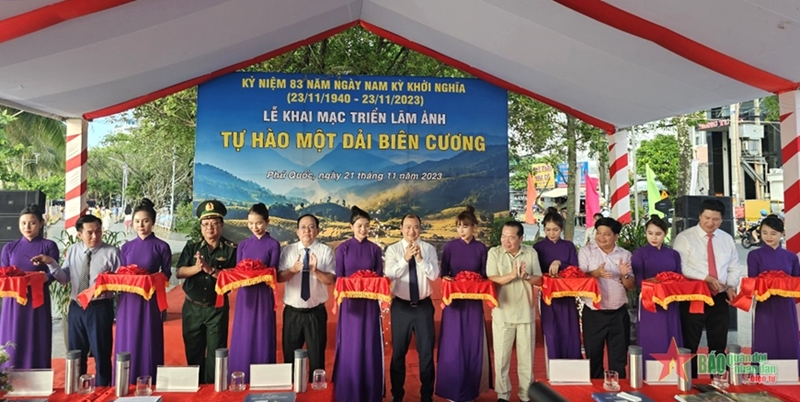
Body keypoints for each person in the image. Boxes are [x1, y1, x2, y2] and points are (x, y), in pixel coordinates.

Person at [34, 214, 120, 386]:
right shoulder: (73, 250)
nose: (95, 236)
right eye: (89, 233)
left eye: (98, 231)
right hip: (76, 307)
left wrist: (109, 283)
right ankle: (75, 386)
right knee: (75, 352)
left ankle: (103, 388)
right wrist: (51, 263)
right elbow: (65, 278)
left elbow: (122, 282)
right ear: (79, 234)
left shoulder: (112, 252)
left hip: (99, 307)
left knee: (101, 352)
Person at [672, 199, 740, 378]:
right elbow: (682, 267)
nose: (711, 223)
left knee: (718, 341)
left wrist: (731, 286)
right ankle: (688, 379)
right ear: (699, 216)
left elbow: (734, 267)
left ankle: (717, 378)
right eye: (707, 218)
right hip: (694, 295)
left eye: (715, 219)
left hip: (719, 296)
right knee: (690, 340)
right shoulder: (685, 238)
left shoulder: (726, 239)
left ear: (722, 219)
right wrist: (705, 278)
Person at [175, 200, 237, 384]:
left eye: (214, 223)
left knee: (216, 352)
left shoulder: (231, 249)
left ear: (222, 225)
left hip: (216, 308)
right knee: (193, 350)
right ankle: (196, 388)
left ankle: (212, 390)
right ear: (201, 226)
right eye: (206, 224)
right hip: (192, 307)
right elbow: (179, 272)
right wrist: (197, 268)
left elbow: (232, 280)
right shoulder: (192, 247)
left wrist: (211, 270)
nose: (210, 228)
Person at [435, 206, 490, 402]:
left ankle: (470, 391)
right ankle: (452, 391)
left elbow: (485, 275)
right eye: (458, 226)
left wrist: (474, 280)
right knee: (453, 346)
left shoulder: (481, 248)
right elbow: (445, 272)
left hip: (473, 304)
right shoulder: (450, 247)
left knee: (472, 346)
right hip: (454, 304)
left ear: (474, 227)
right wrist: (450, 279)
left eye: (465, 226)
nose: (461, 230)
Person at [116, 198, 172, 384]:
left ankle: (150, 378)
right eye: (137, 221)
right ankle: (125, 377)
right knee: (128, 335)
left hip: (149, 299)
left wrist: (150, 279)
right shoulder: (126, 248)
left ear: (153, 222)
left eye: (145, 221)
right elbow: (122, 273)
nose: (141, 225)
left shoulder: (162, 247)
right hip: (128, 300)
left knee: (149, 336)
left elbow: (166, 275)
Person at [385, 214, 440, 402]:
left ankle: (427, 396)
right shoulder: (393, 250)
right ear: (401, 228)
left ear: (420, 228)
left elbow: (434, 275)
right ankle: (397, 395)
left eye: (415, 227)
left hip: (423, 306)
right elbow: (390, 275)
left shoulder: (428, 249)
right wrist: (405, 258)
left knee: (426, 353)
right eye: (408, 227)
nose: (412, 231)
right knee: (398, 352)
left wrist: (420, 260)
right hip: (401, 306)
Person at [333, 206, 385, 402]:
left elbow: (379, 278)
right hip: (350, 307)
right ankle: (348, 393)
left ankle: (370, 393)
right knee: (351, 347)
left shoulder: (375, 249)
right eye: (359, 226)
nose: (363, 230)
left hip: (370, 306)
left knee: (369, 346)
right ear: (351, 226)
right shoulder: (343, 249)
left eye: (366, 226)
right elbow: (339, 279)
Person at [487, 221, 542, 402]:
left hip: (526, 313)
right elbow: (492, 279)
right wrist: (512, 275)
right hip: (503, 313)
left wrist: (526, 277)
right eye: (504, 236)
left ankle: (526, 396)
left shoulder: (530, 252)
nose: (506, 241)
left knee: (527, 360)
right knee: (501, 360)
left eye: (511, 237)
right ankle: (503, 395)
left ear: (521, 238)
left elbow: (540, 280)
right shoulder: (494, 253)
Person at [0, 205, 59, 370]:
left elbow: (53, 273)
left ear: (41, 223)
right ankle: (7, 375)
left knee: (36, 336)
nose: (27, 227)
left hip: (37, 299)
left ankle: (37, 372)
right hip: (13, 301)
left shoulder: (49, 246)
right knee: (12, 334)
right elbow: (3, 276)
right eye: (23, 223)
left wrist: (41, 275)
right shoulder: (9, 248)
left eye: (32, 223)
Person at [279, 214, 335, 381]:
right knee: (289, 357)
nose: (307, 230)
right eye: (303, 227)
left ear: (317, 231)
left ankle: (317, 396)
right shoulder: (288, 251)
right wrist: (293, 270)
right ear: (297, 231)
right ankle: (292, 393)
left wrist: (315, 270)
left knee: (317, 358)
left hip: (315, 313)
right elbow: (280, 277)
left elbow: (331, 280)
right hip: (292, 313)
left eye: (311, 227)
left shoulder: (325, 251)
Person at [229, 203, 281, 383]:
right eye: (251, 223)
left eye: (258, 223)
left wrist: (259, 273)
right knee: (243, 332)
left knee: (262, 332)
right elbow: (238, 271)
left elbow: (273, 272)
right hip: (245, 296)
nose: (254, 227)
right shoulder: (243, 245)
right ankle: (240, 376)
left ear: (267, 222)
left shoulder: (273, 244)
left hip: (263, 295)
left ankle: (263, 377)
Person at [578, 217, 634, 379]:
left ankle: (619, 392)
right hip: (594, 312)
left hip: (618, 313)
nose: (601, 237)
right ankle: (595, 393)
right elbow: (580, 278)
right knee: (593, 356)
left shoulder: (625, 255)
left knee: (618, 358)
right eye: (599, 233)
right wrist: (596, 273)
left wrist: (625, 274)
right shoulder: (586, 252)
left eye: (607, 234)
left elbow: (630, 286)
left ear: (616, 236)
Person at [747, 216, 800, 370]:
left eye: (773, 233)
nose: (768, 237)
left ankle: (790, 370)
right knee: (765, 335)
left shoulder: (791, 257)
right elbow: (752, 280)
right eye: (764, 233)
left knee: (788, 335)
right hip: (765, 302)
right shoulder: (754, 255)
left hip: (786, 303)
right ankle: (763, 369)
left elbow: (796, 280)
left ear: (782, 234)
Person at [631, 215, 683, 371]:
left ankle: (674, 371)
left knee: (670, 333)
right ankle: (649, 372)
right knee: (652, 336)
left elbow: (679, 278)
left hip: (671, 302)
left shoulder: (674, 254)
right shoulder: (640, 254)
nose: (653, 237)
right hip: (650, 301)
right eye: (650, 233)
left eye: (658, 234)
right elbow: (639, 281)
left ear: (665, 233)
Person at [532, 212, 582, 361]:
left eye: (555, 230)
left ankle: (573, 367)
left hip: (567, 296)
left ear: (561, 229)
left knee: (570, 330)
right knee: (551, 332)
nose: (551, 233)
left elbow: (575, 268)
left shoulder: (568, 246)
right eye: (548, 230)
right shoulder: (538, 247)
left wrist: (559, 263)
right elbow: (536, 271)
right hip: (548, 296)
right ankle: (554, 367)